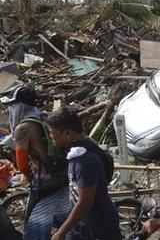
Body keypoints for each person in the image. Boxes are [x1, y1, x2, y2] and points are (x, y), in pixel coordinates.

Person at [1, 86, 70, 239]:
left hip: (44, 183)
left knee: (33, 228)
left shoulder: (23, 128)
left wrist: (28, 177)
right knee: (65, 221)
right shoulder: (46, 117)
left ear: (19, 106)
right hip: (63, 176)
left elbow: (22, 164)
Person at [46, 106, 121, 240]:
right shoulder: (80, 148)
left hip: (97, 227)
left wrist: (61, 232)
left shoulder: (84, 160)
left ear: (67, 134)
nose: (50, 136)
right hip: (81, 223)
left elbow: (84, 202)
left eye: (52, 133)